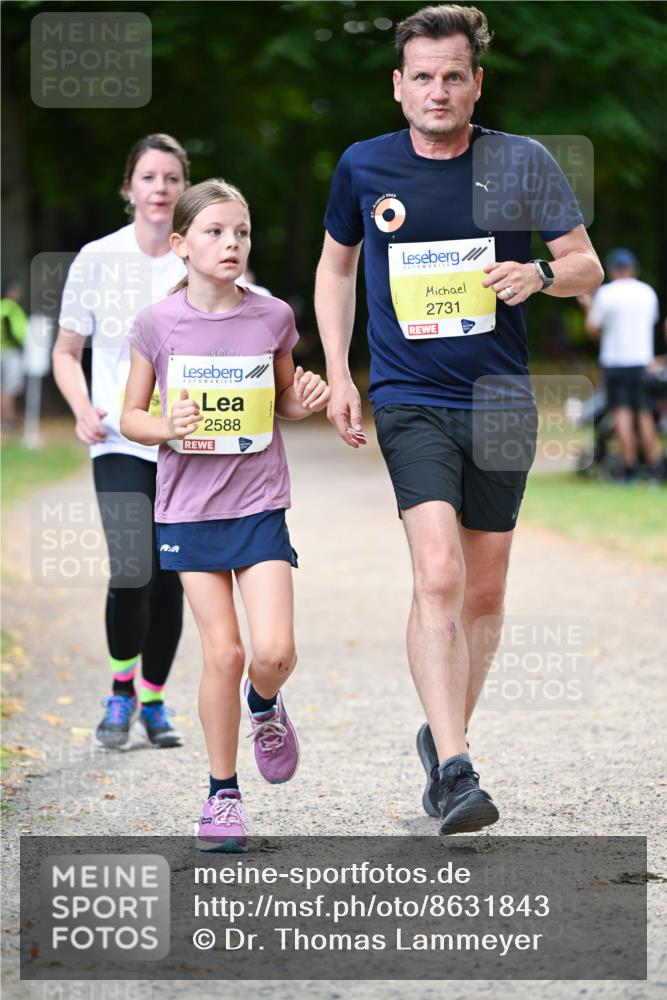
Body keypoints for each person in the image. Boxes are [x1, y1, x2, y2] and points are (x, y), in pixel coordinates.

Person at [315, 4, 603, 835]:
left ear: (475, 83)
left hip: (501, 399)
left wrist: (539, 273)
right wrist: (339, 371)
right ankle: (455, 767)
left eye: (452, 75)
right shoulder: (363, 167)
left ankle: (441, 735)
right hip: (410, 398)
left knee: (483, 589)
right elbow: (335, 271)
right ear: (396, 85)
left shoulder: (521, 161)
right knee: (436, 573)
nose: (437, 90)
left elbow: (584, 264)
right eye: (422, 76)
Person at [120, 179, 330, 851]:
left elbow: (282, 401)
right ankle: (222, 797)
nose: (231, 243)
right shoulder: (157, 323)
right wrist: (161, 424)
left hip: (258, 502)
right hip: (186, 511)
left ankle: (264, 705)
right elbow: (130, 414)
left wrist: (309, 394)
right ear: (180, 244)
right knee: (226, 651)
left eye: (240, 231)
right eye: (214, 232)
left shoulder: (271, 317)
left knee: (272, 652)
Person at [52, 133, 189, 750]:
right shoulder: (96, 258)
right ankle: (120, 689)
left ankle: (155, 701)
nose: (160, 189)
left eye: (172, 178)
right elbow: (65, 352)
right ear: (129, 188)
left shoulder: (203, 256)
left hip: (188, 446)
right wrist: (82, 407)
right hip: (117, 439)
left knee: (172, 577)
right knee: (132, 569)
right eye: (149, 177)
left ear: (185, 189)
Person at [580, 248, 661, 482]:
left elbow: (594, 330)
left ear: (613, 270)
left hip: (615, 362)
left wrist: (588, 307)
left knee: (622, 414)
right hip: (642, 361)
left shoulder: (606, 294)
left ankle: (629, 469)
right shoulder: (648, 292)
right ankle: (654, 469)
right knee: (644, 415)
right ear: (634, 269)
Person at [1, 279, 28, 432]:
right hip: (10, 352)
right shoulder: (12, 308)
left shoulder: (1, 307)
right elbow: (19, 332)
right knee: (9, 388)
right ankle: (8, 419)